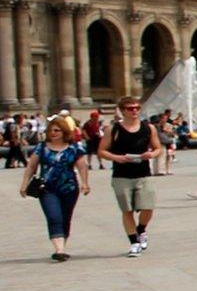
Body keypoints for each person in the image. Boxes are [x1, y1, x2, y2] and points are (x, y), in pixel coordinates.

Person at [98, 96, 161, 257]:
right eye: (130, 108)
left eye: (137, 108)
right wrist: (117, 158)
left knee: (148, 207)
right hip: (121, 175)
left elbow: (158, 148)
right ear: (122, 110)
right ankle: (134, 242)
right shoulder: (113, 129)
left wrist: (151, 154)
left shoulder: (149, 128)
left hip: (143, 173)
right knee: (127, 210)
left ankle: (141, 229)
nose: (134, 111)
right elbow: (102, 151)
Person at [22, 120, 89, 261]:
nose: (53, 133)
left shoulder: (74, 147)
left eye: (56, 130)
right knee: (54, 217)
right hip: (47, 189)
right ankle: (59, 249)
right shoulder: (42, 147)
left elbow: (82, 166)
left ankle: (62, 247)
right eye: (50, 130)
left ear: (64, 132)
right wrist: (24, 184)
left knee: (65, 218)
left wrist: (84, 183)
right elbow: (31, 166)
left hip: (69, 188)